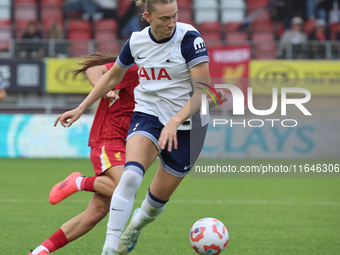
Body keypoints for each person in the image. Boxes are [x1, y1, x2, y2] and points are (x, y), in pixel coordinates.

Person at [54, 1, 229, 255]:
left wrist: (175, 122)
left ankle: (136, 225)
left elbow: (203, 92)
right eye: (164, 19)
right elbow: (112, 76)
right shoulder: (136, 42)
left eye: (175, 16)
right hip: (149, 116)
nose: (171, 23)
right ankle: (109, 248)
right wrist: (81, 107)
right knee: (131, 176)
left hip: (188, 127)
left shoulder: (190, 39)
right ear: (147, 17)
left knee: (154, 205)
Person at [28, 52, 139, 255]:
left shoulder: (166, 78)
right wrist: (104, 89)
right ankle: (79, 182)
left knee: (97, 212)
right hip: (109, 136)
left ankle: (39, 251)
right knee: (125, 189)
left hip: (130, 142)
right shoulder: (138, 69)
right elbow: (94, 69)